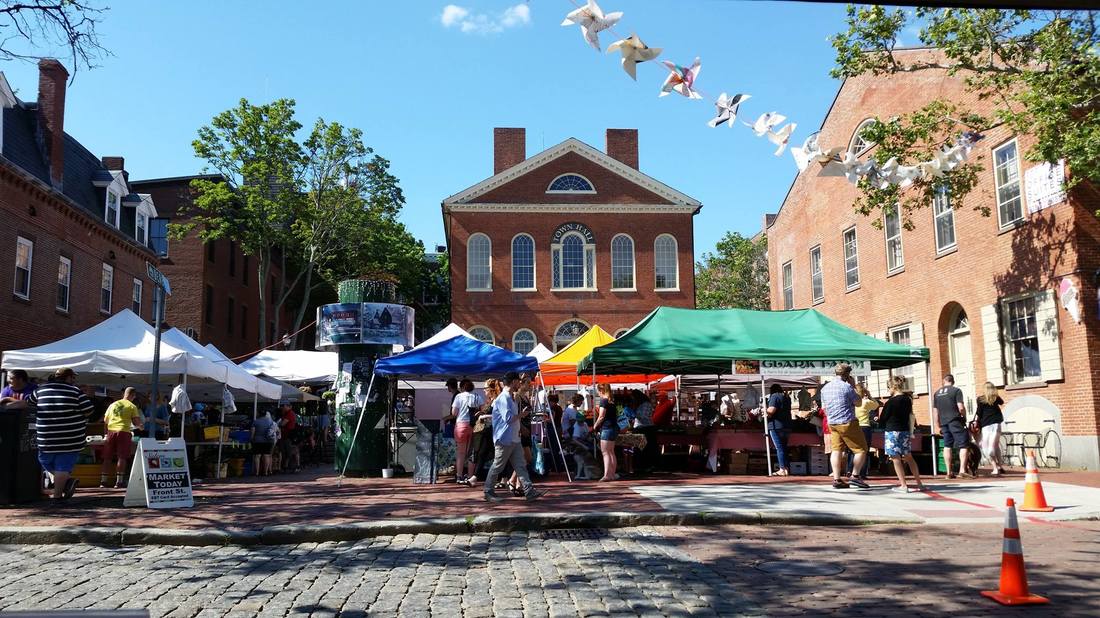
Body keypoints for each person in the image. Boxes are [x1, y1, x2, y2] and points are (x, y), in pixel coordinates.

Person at [29, 368, 94, 500]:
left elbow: (30, 404)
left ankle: (65, 481)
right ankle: (58, 495)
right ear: (68, 378)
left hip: (46, 436)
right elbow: (88, 410)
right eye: (73, 378)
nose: (74, 380)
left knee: (44, 461)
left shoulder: (40, 390)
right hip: (70, 437)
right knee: (62, 467)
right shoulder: (76, 391)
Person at [483, 372, 544, 502]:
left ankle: (529, 490)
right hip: (504, 439)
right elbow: (508, 418)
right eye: (518, 381)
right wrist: (522, 415)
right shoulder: (504, 398)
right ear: (514, 382)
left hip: (513, 438)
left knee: (521, 465)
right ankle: (488, 491)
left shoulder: (510, 397)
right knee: (497, 466)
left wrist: (520, 426)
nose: (520, 384)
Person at [820, 363, 870, 489]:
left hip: (832, 422)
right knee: (861, 449)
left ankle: (837, 479)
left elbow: (824, 408)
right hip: (847, 422)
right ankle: (855, 475)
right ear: (847, 375)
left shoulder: (825, 388)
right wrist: (853, 386)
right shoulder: (847, 387)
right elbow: (858, 403)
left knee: (836, 450)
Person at [876, 376, 925, 493]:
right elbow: (910, 414)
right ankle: (919, 483)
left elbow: (883, 419)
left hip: (892, 431)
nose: (888, 390)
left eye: (888, 387)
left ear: (893, 387)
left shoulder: (890, 402)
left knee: (895, 458)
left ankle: (903, 485)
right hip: (905, 430)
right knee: (909, 457)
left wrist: (878, 419)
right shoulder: (908, 399)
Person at [100, 387, 144, 488]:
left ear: (124, 394)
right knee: (122, 457)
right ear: (133, 396)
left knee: (107, 457)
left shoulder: (113, 405)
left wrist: (105, 434)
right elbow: (137, 423)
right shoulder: (132, 406)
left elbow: (105, 421)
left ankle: (103, 481)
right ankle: (119, 482)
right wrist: (141, 427)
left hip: (111, 432)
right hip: (124, 432)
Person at [934, 374, 973, 479]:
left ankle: (948, 472)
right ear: (953, 381)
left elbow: (935, 411)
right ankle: (962, 471)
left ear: (944, 381)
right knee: (964, 445)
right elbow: (960, 407)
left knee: (947, 446)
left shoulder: (937, 393)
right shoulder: (956, 391)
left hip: (943, 422)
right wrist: (964, 416)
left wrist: (937, 424)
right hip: (955, 420)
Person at [451, 379, 483, 485]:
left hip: (461, 425)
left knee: (461, 452)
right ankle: (470, 476)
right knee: (472, 453)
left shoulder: (459, 397)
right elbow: (483, 410)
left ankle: (459, 476)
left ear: (462, 387)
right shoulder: (478, 397)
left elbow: (454, 413)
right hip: (474, 426)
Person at [849, 383, 879, 481]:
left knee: (853, 450)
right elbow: (876, 405)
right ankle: (862, 473)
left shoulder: (851, 402)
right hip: (865, 427)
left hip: (853, 426)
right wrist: (870, 396)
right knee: (864, 451)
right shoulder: (865, 402)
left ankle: (849, 470)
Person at [975, 382, 1005, 476]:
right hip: (996, 424)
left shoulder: (980, 399)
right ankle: (1000, 466)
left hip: (986, 425)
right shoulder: (996, 398)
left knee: (987, 447)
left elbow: (979, 413)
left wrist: (976, 423)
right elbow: (1002, 402)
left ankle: (995, 468)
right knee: (995, 445)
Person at [593, 383, 619, 482]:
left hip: (607, 428)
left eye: (598, 391)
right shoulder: (611, 401)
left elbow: (601, 416)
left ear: (601, 391)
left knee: (605, 452)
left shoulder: (603, 401)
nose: (598, 393)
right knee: (611, 452)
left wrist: (595, 426)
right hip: (614, 427)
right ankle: (612, 474)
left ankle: (607, 475)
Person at [766, 384, 793, 476]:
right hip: (787, 425)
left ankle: (782, 468)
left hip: (776, 425)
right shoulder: (787, 398)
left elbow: (771, 411)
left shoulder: (774, 396)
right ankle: (786, 468)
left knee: (779, 447)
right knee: (784, 447)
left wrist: (762, 410)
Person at [633, 390, 657, 473]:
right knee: (641, 448)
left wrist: (634, 414)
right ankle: (641, 466)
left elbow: (644, 417)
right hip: (641, 428)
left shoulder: (646, 404)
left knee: (646, 448)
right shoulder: (641, 404)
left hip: (646, 428)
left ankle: (646, 466)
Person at [251, 411, 278, 476]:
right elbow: (276, 431)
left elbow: (252, 432)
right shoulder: (271, 422)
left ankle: (257, 472)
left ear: (259, 414)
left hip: (258, 441)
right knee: (267, 456)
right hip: (269, 441)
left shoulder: (256, 421)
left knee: (257, 456)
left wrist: (251, 439)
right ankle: (265, 472)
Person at [278, 403, 300, 473]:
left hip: (289, 435)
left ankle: (294, 467)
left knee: (291, 451)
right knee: (289, 452)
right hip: (289, 435)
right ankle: (287, 466)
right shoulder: (287, 413)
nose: (282, 408)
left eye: (283, 406)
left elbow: (282, 424)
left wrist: (279, 423)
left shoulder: (289, 414)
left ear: (288, 407)